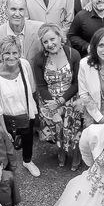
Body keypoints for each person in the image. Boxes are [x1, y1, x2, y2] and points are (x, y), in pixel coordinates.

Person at [0, 37, 40, 177]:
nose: (11, 57)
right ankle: (6, 170)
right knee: (6, 145)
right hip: (7, 118)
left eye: (15, 53)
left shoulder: (25, 65)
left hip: (26, 114)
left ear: (20, 53)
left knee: (28, 140)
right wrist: (3, 130)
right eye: (7, 53)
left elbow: (32, 89)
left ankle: (27, 161)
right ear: (1, 54)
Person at [32, 24, 83, 171]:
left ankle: (77, 153)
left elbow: (76, 83)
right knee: (58, 130)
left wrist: (61, 101)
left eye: (52, 39)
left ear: (60, 37)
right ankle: (61, 151)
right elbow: (41, 85)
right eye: (45, 42)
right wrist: (53, 106)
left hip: (70, 97)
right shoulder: (39, 59)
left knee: (74, 129)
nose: (50, 44)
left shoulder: (73, 55)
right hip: (49, 101)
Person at [0, 0, 43, 66]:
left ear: (26, 10)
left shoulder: (39, 29)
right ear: (6, 9)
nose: (17, 14)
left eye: (21, 9)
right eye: (13, 9)